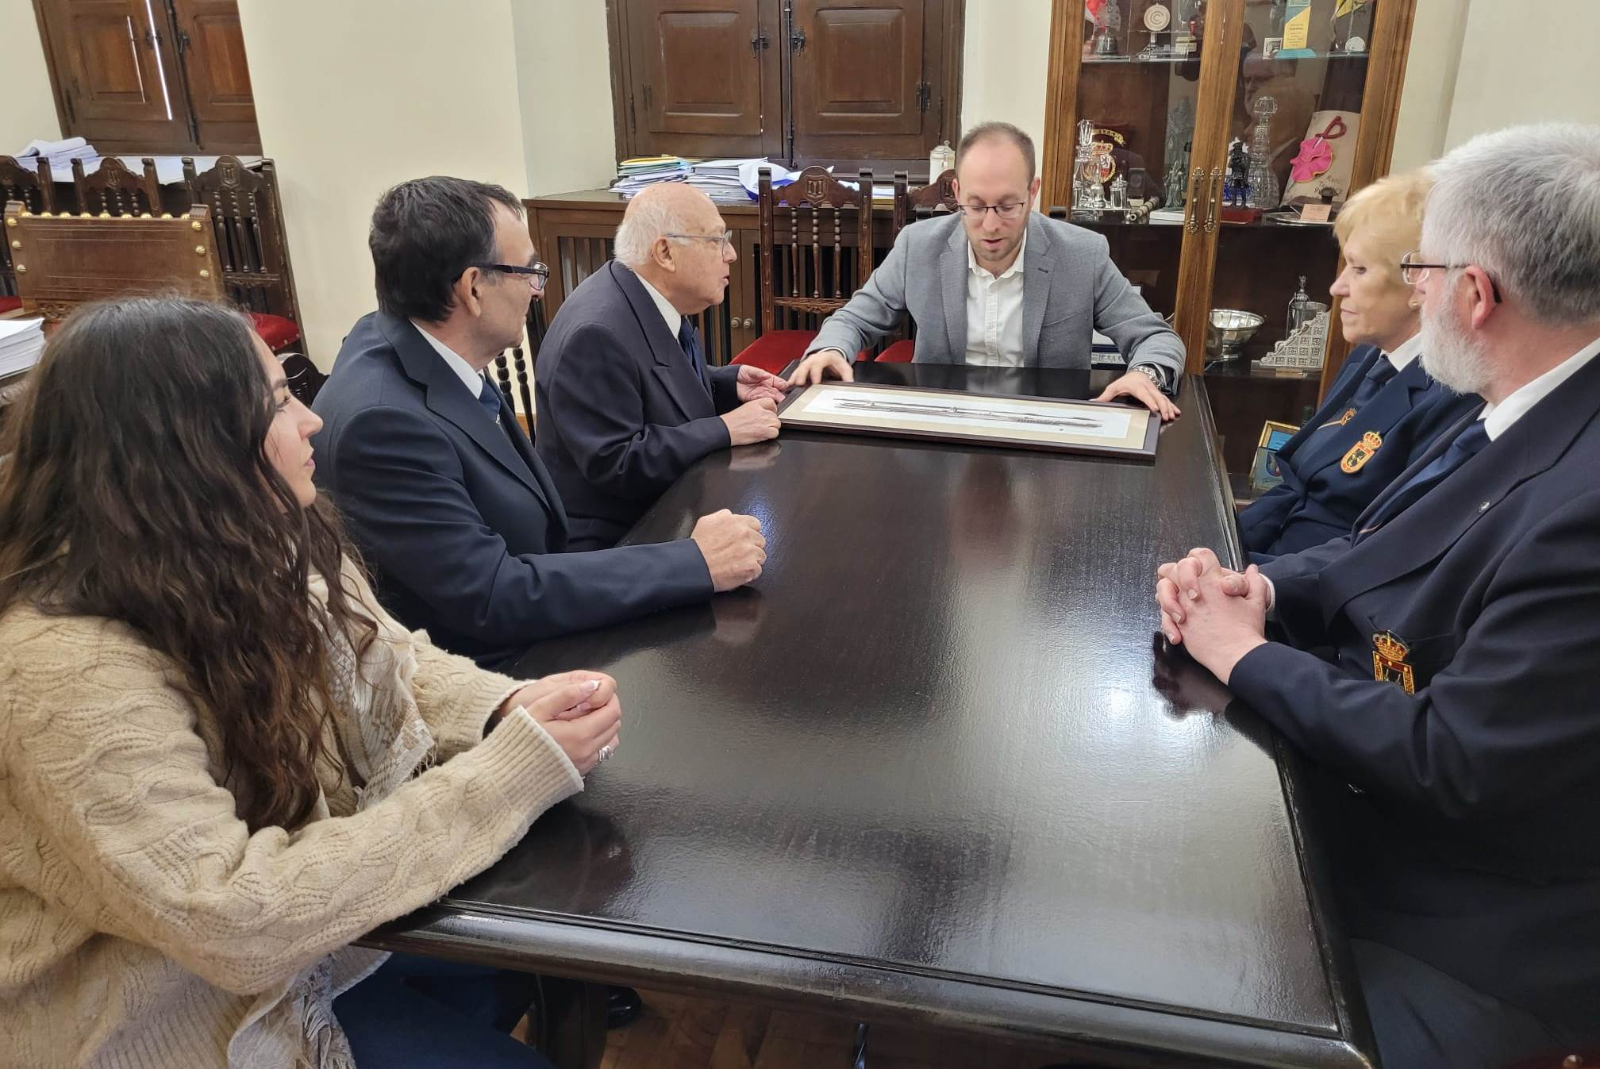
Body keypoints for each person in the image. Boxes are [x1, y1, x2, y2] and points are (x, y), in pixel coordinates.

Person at [0, 297, 624, 1068]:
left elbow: (389, 654)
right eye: (278, 401)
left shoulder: (249, 538)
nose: (312, 420)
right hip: (174, 1010)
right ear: (185, 446)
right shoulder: (63, 669)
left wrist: (502, 707)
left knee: (547, 943)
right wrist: (508, 775)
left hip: (310, 945)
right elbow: (232, 919)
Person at [1154, 123, 1600, 1068]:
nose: (1412, 290)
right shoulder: (1527, 396)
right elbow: (1378, 552)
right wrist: (1256, 584)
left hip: (1472, 925)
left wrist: (1245, 653)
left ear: (1475, 294)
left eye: (1422, 270)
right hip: (1378, 814)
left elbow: (1453, 756)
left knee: (1165, 1004)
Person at [311, 177, 766, 666]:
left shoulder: (420, 344)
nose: (537, 290)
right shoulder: (383, 426)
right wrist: (693, 561)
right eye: (529, 271)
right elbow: (494, 597)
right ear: (472, 288)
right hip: (490, 667)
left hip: (539, 584)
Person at [786, 121, 1185, 422]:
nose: (990, 226)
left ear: (1032, 192)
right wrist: (831, 350)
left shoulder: (1082, 255)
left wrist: (1145, 375)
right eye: (976, 206)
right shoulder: (918, 247)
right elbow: (854, 319)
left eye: (1007, 206)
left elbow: (1155, 336)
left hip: (1044, 431)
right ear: (957, 193)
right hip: (945, 429)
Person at [1237, 169, 1479, 561]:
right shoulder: (1369, 356)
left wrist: (1247, 580)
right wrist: (1213, 544)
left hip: (1305, 585)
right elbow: (1297, 486)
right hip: (1265, 556)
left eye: (1360, 269)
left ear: (1420, 282)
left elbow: (1378, 552)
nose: (1337, 287)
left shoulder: (1452, 393)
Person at [534, 183, 790, 549]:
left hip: (667, 503)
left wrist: (726, 383)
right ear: (666, 252)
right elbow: (618, 463)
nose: (731, 254)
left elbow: (643, 378)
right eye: (717, 240)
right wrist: (724, 428)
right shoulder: (596, 333)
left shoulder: (642, 292)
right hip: (618, 540)